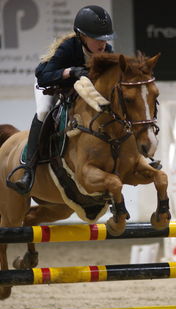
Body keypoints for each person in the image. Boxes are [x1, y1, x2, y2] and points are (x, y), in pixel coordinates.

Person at [12, 5, 115, 195]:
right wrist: (69, 72)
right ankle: (28, 169)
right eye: (97, 38)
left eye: (105, 38)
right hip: (52, 84)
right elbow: (43, 75)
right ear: (82, 36)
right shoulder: (68, 47)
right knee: (44, 112)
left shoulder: (107, 51)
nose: (103, 44)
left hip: (79, 92)